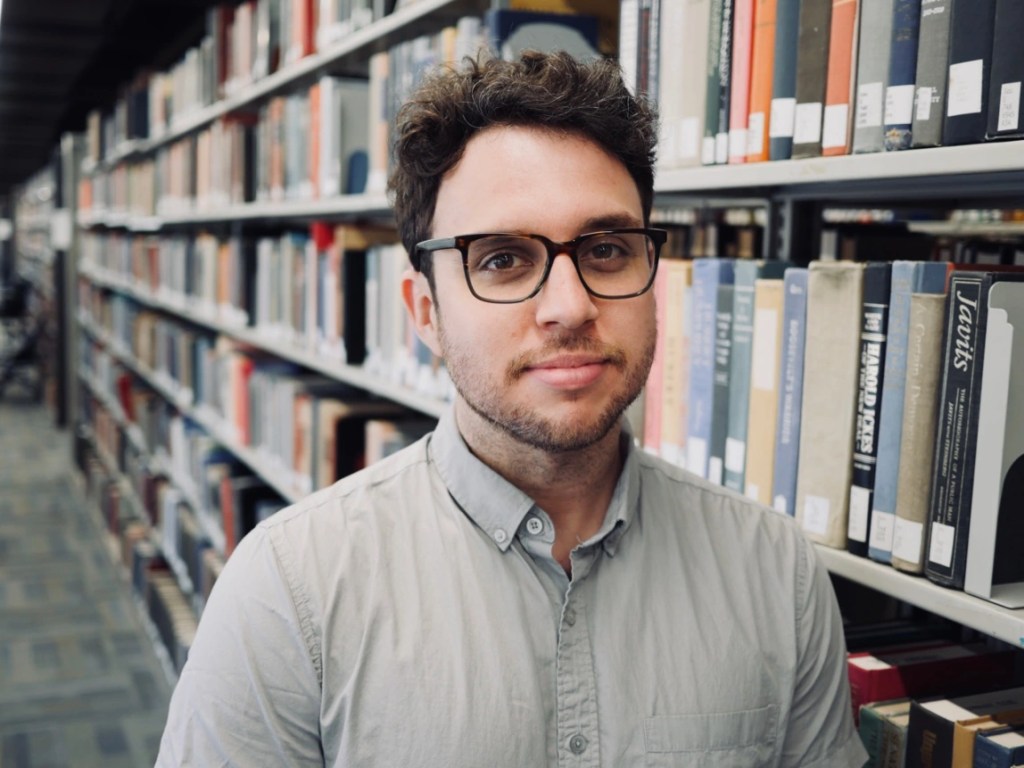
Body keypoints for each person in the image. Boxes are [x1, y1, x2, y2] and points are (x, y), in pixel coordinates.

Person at [156, 51, 867, 767]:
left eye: (607, 249)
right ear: (425, 311)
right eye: (502, 259)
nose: (570, 307)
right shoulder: (287, 595)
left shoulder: (773, 570)